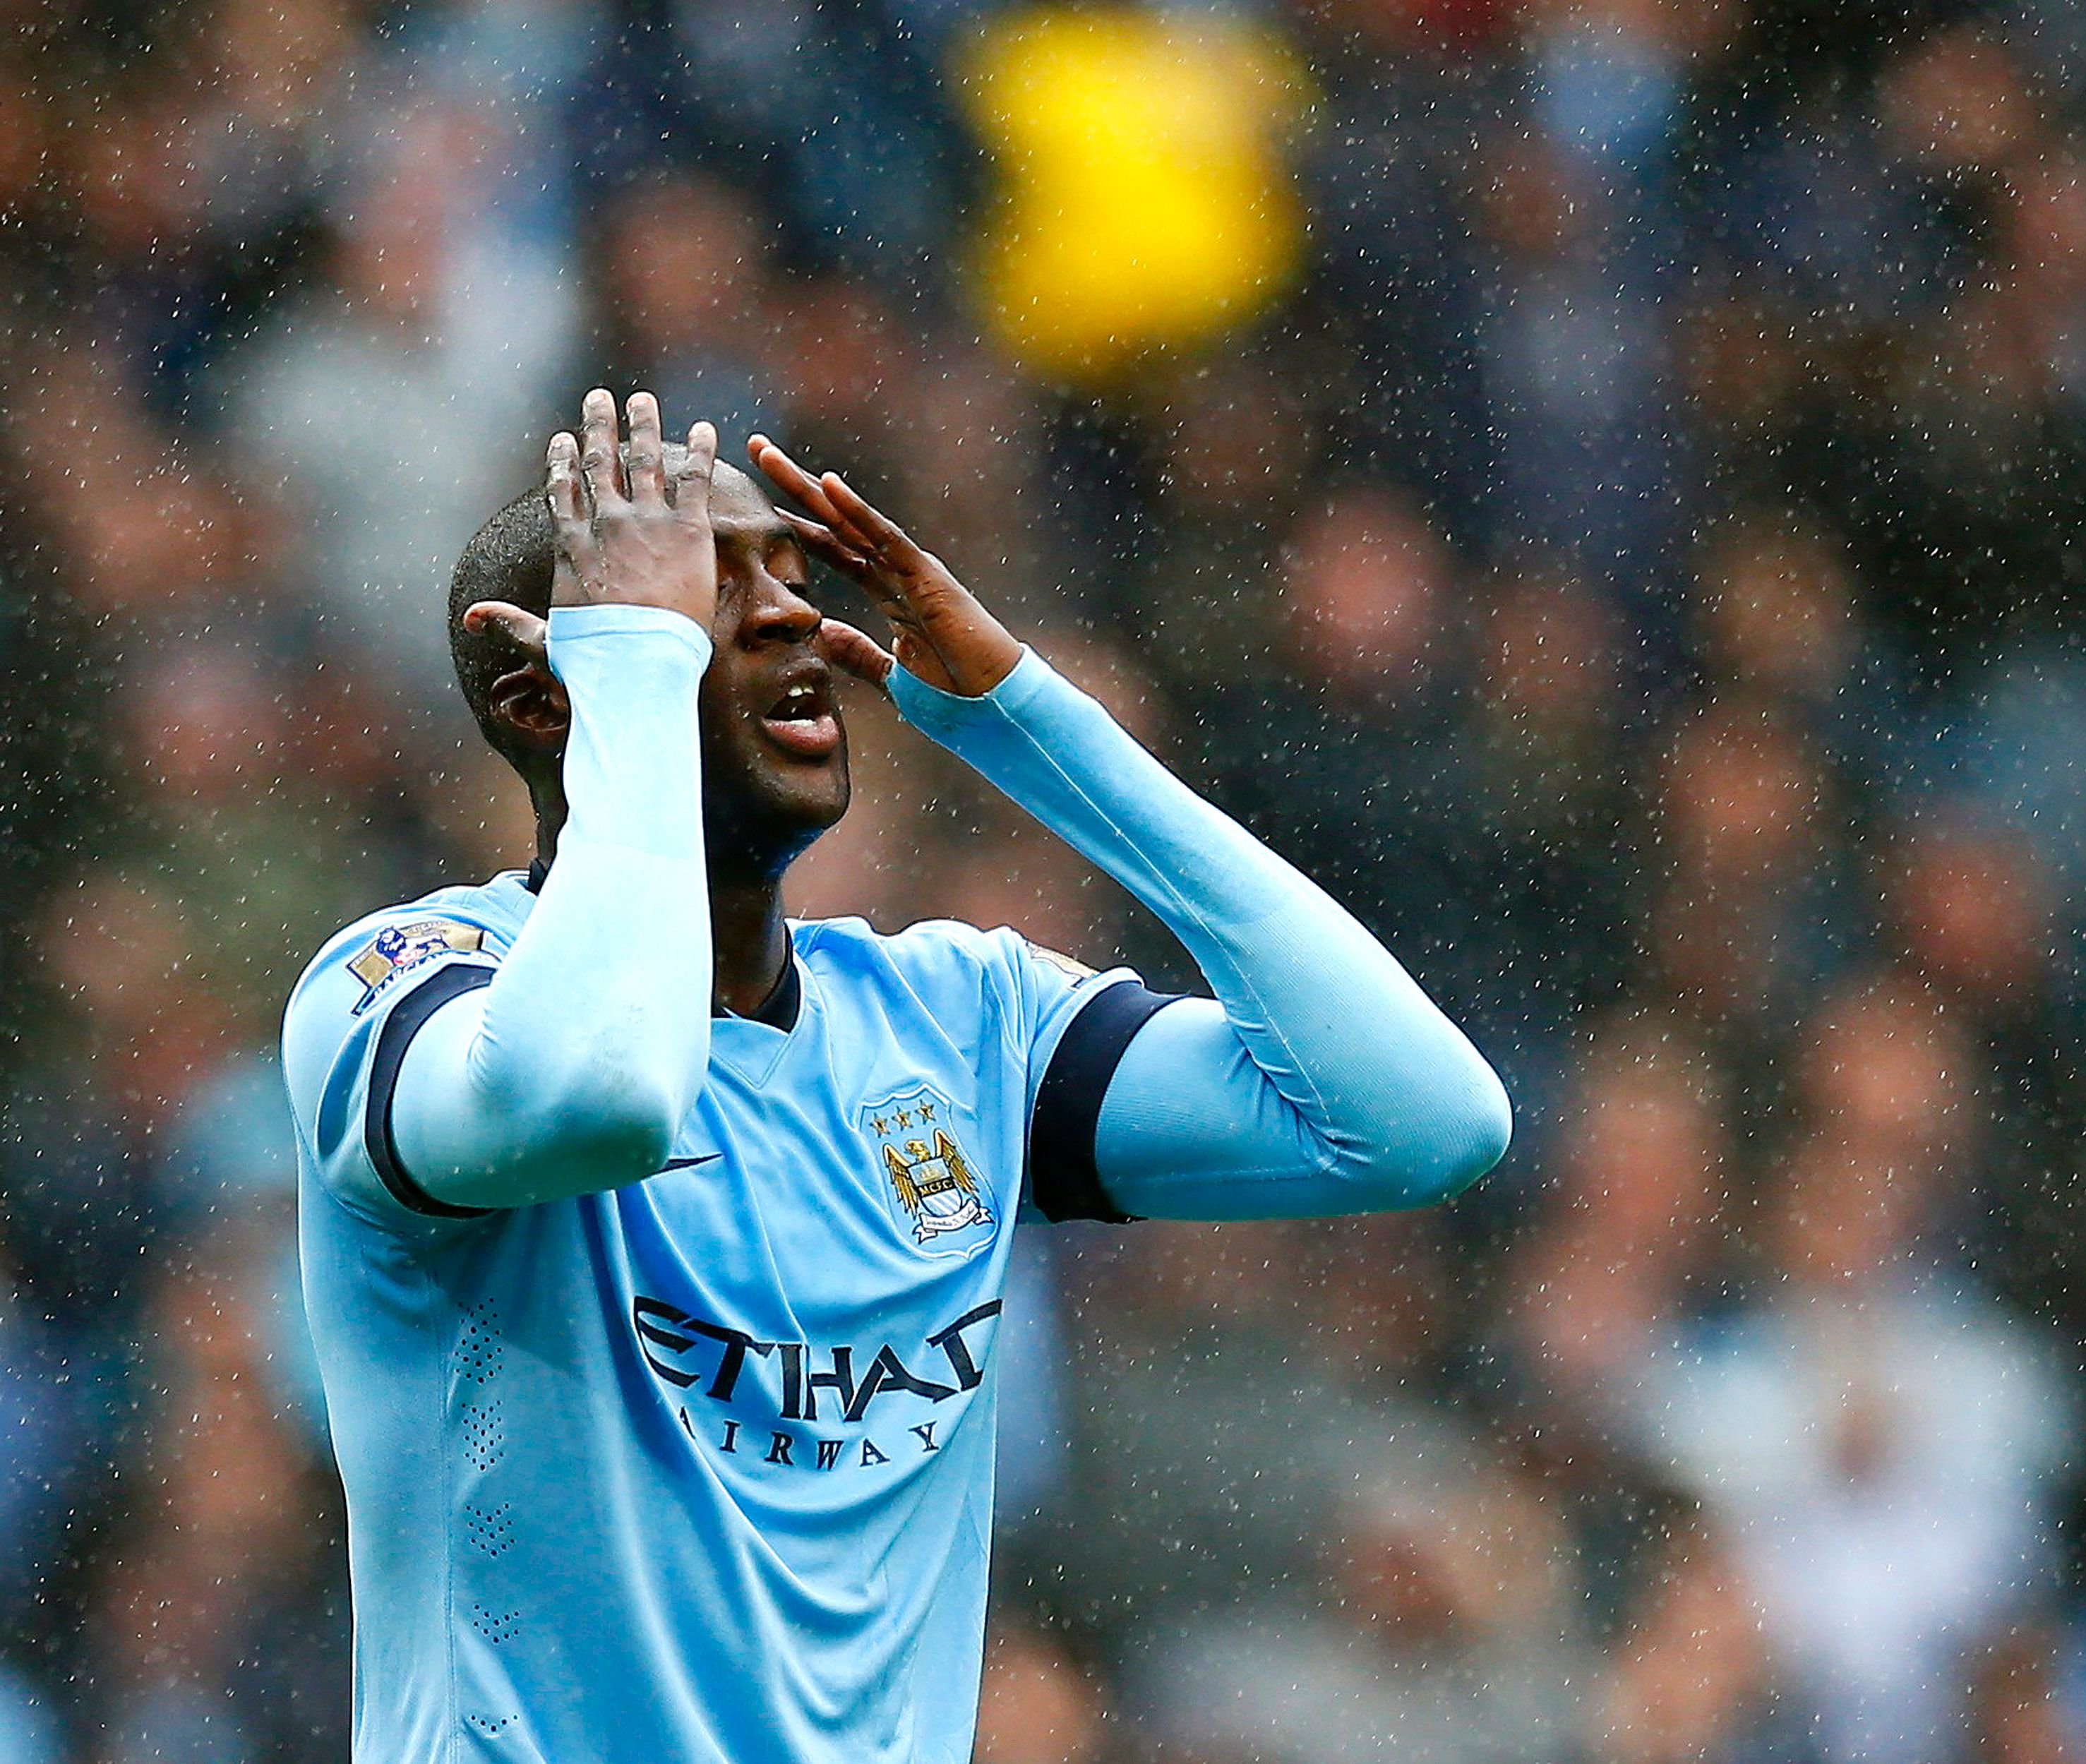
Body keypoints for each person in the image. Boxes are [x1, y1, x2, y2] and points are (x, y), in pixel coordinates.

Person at [277, 388, 1511, 1761]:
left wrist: (1026, 722)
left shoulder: (961, 1023)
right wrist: (628, 670)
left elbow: (1420, 1122)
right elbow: (604, 1098)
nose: (788, 616)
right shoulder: (403, 990)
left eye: (792, 577)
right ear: (539, 696)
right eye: (702, 587)